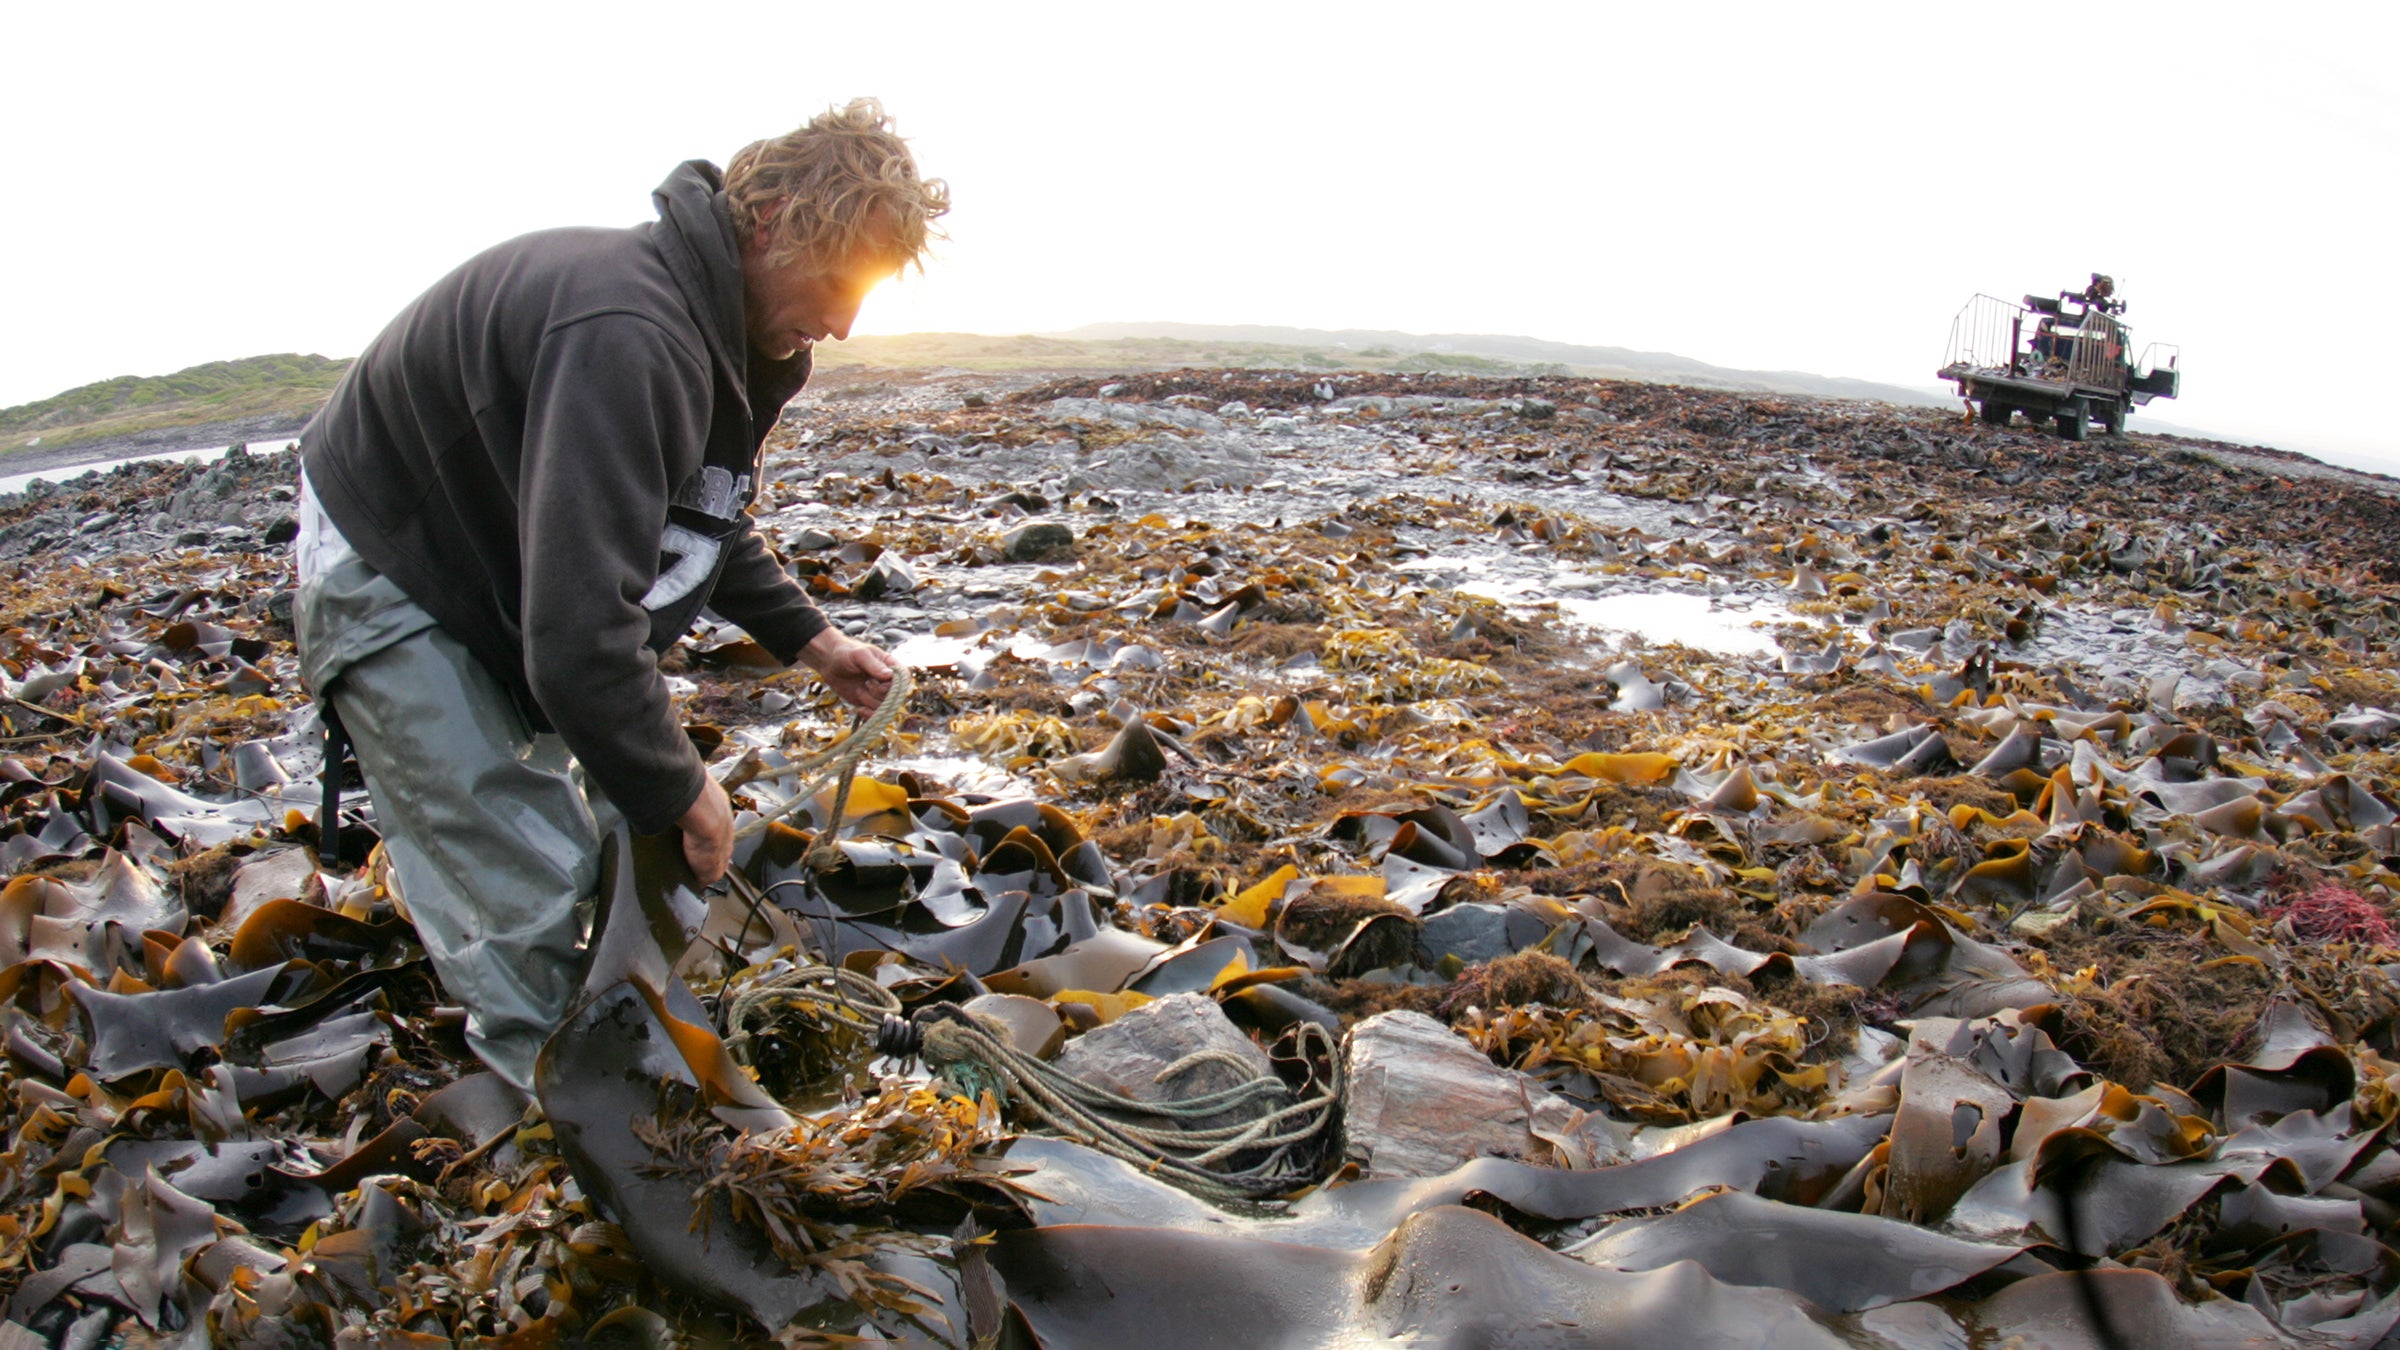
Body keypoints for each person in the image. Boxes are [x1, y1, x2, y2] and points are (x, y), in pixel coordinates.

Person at [291, 100, 946, 1090]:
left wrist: (810, 641)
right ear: (766, 220)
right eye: (838, 283)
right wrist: (683, 786)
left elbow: (699, 516)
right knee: (524, 884)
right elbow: (577, 645)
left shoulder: (737, 341)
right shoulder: (631, 330)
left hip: (501, 558)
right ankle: (559, 1139)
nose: (847, 324)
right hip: (397, 559)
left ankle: (618, 1052)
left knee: (614, 835)